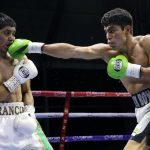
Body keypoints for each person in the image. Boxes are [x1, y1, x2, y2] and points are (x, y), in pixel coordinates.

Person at [8, 8, 150, 149]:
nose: (108, 36)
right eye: (106, 31)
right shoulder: (107, 52)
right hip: (140, 108)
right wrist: (33, 47)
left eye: (112, 30)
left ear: (128, 30)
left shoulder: (146, 43)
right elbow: (72, 51)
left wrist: (131, 69)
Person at [0, 13, 53, 150]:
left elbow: (26, 91)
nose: (11, 38)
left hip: (22, 118)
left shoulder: (19, 57)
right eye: (7, 33)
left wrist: (29, 112)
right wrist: (17, 78)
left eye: (13, 33)